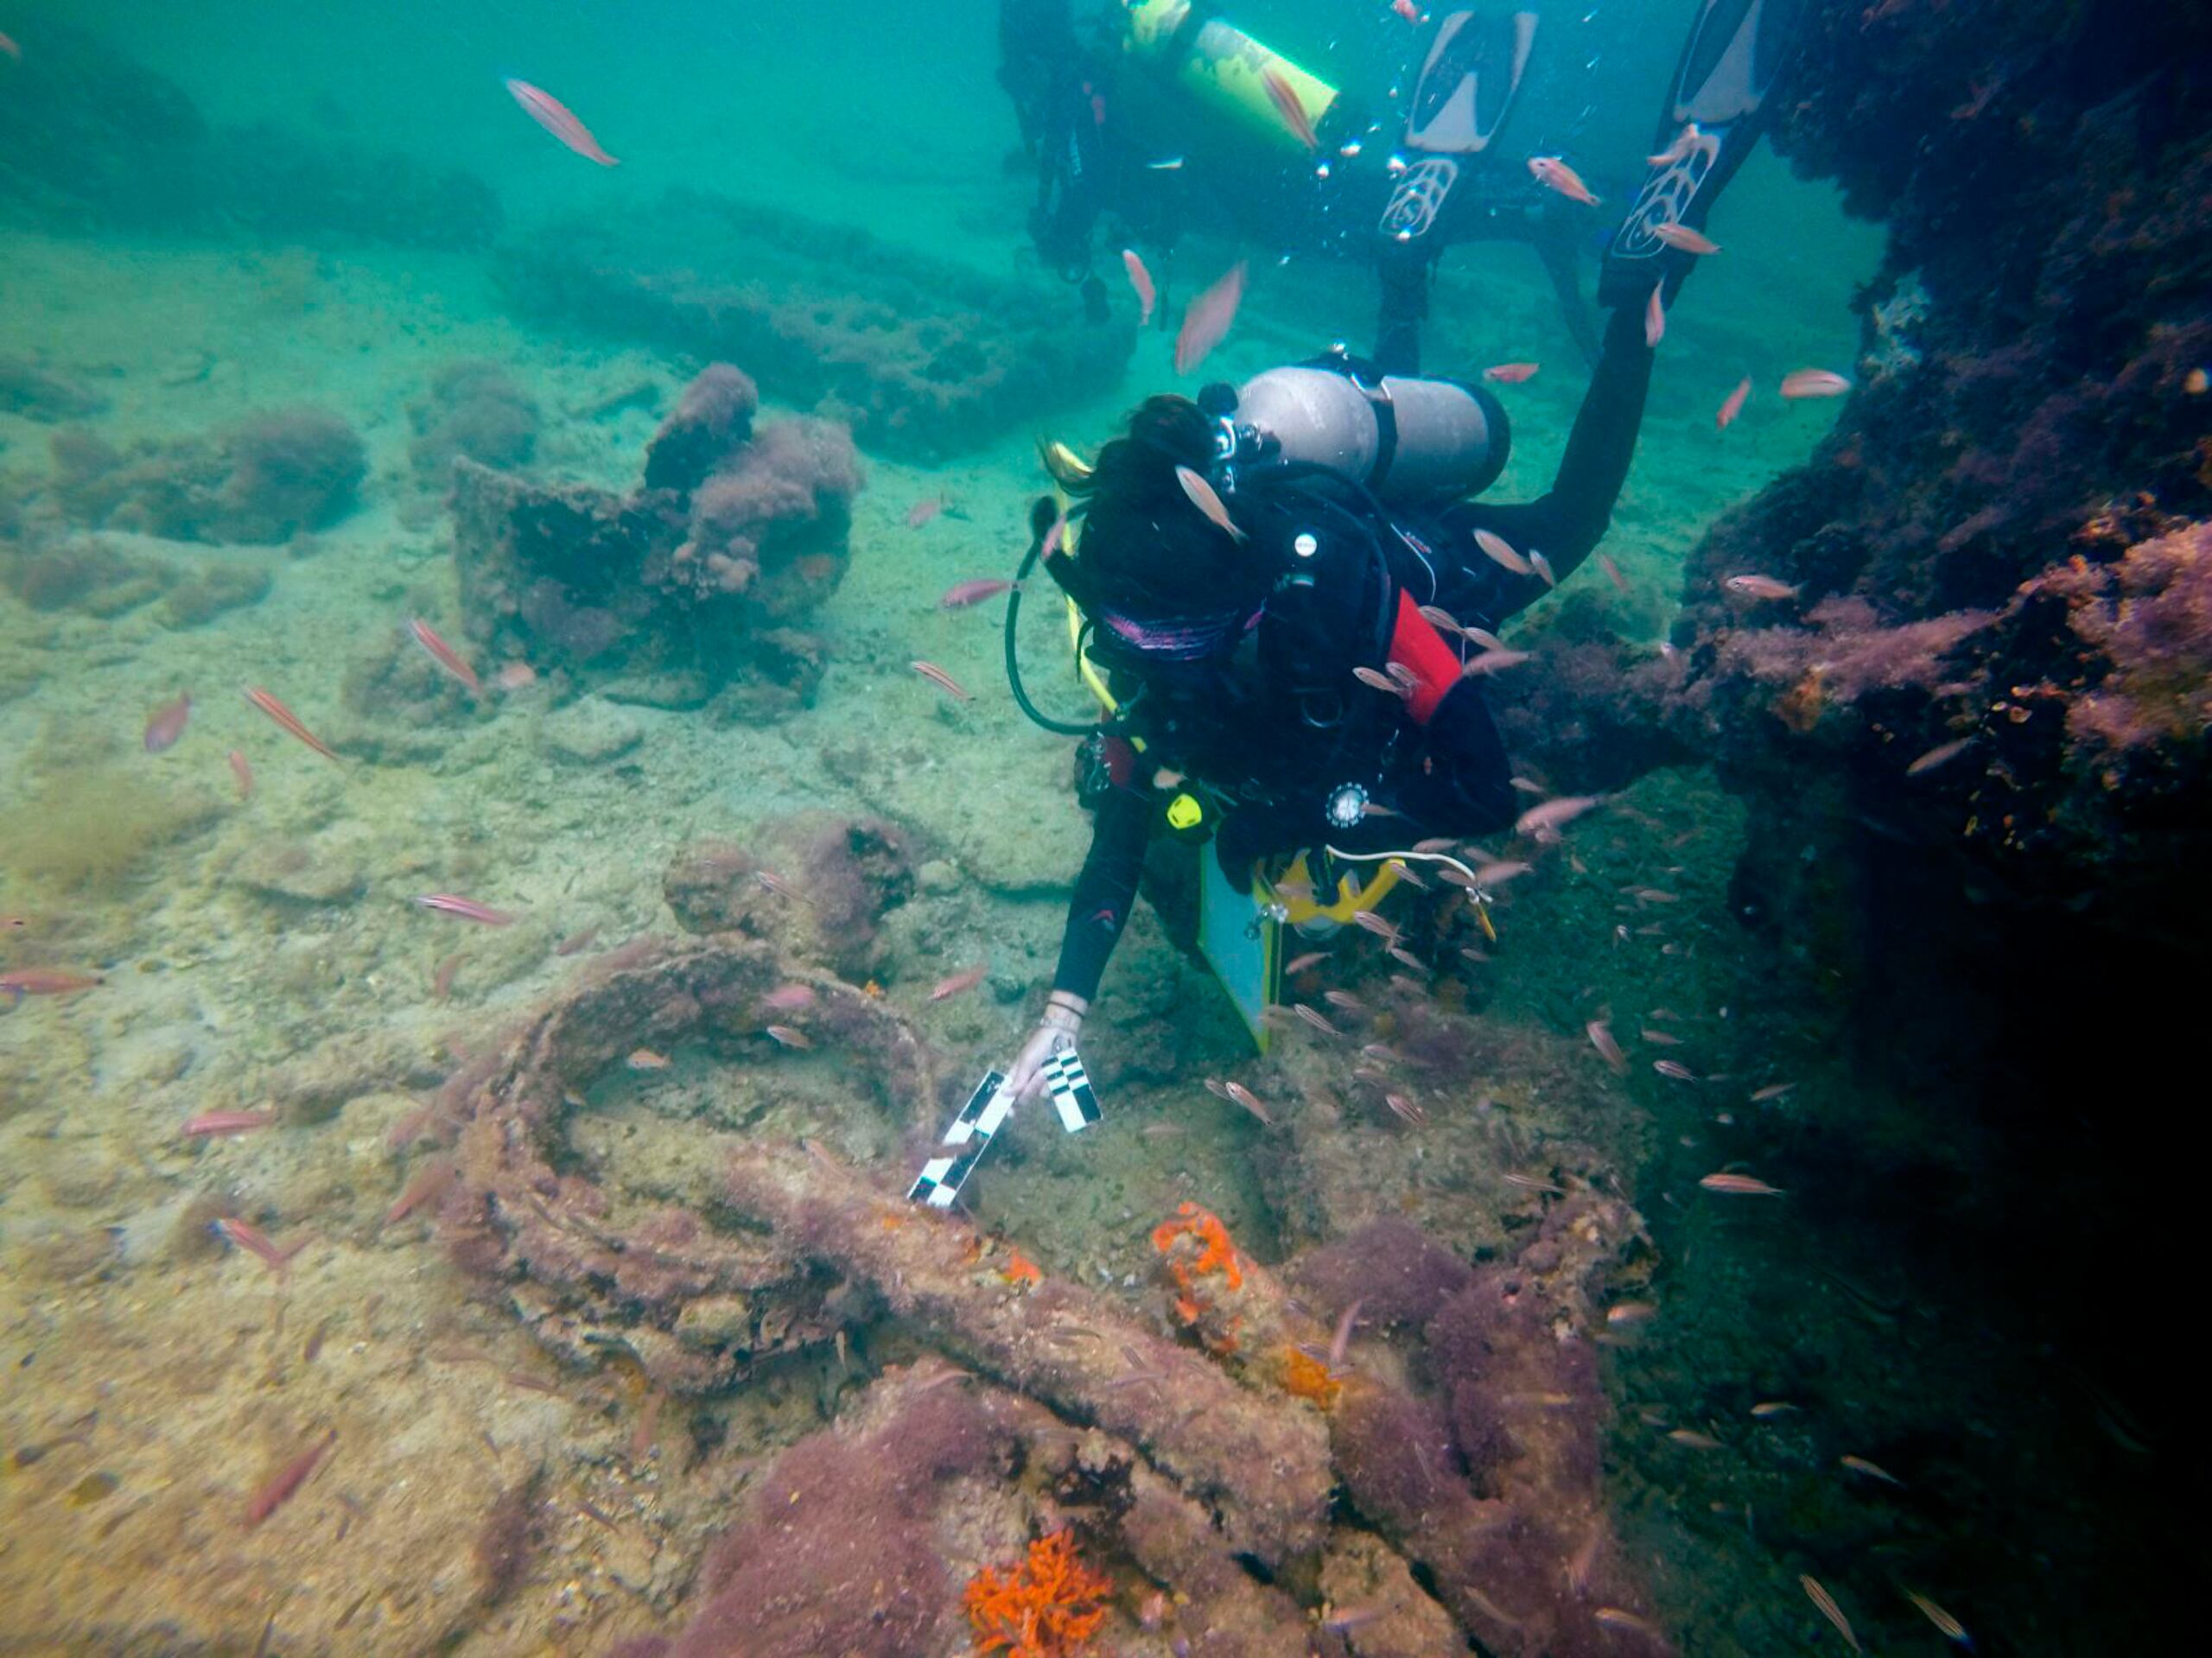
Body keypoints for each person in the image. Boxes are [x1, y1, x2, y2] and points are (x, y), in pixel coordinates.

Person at [998, 0, 1805, 1103]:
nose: (1160, 662)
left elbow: (1476, 787)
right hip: (1308, 571)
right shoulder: (1139, 615)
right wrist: (1062, 1012)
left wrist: (1327, 815)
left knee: (1568, 523)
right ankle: (1407, 249)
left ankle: (1639, 281)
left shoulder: (1342, 593)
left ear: (1242, 589)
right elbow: (1126, 823)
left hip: (1418, 565)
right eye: (1135, 638)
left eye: (1181, 637)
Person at [997, 0, 1603, 367]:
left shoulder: (1077, 98)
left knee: (1377, 228)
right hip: (1257, 179)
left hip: (1255, 195)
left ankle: (1533, 205)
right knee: (1377, 205)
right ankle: (1531, 196)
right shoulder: (1106, 72)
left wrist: (1058, 237)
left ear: (1029, 54)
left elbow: (1083, 188)